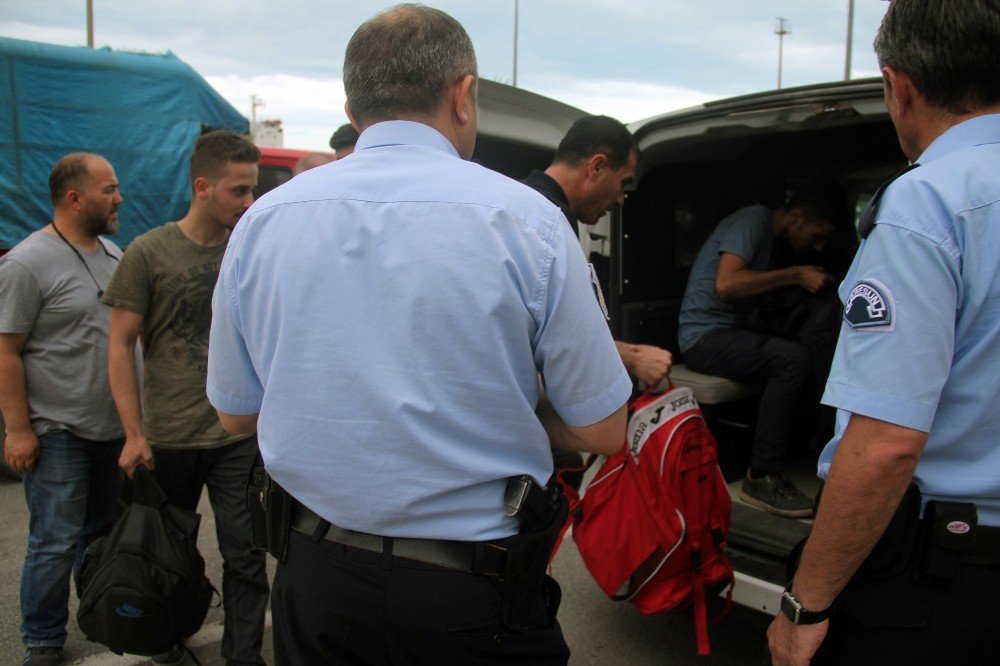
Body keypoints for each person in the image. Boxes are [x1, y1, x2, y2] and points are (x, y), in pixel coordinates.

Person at [207, 5, 630, 664]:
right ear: (462, 95)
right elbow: (604, 429)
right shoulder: (529, 224)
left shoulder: (263, 223)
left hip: (316, 579)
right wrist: (495, 404)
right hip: (470, 594)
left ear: (354, 104)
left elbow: (235, 414)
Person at [768, 1, 1000, 664]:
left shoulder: (929, 202)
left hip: (944, 575)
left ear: (899, 87)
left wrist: (803, 607)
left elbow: (886, 445)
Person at [103, 130, 268, 666]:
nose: (248, 203)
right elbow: (120, 344)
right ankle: (165, 643)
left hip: (234, 435)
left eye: (252, 191)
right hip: (169, 435)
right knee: (166, 555)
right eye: (238, 191)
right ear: (202, 186)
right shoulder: (149, 252)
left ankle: (243, 656)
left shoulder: (250, 249)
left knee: (245, 556)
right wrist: (133, 433)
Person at [0, 153, 125, 666]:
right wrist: (18, 430)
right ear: (75, 198)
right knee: (53, 541)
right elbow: (6, 350)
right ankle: (43, 639)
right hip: (57, 431)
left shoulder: (112, 253)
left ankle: (101, 616)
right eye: (109, 189)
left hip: (111, 429)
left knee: (100, 536)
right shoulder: (27, 263)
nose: (119, 198)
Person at [677, 184, 842, 517]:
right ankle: (762, 475)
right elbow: (726, 285)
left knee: (804, 349)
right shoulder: (753, 220)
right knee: (791, 359)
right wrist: (796, 276)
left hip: (732, 333)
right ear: (796, 217)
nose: (818, 245)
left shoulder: (773, 241)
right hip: (704, 337)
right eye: (816, 235)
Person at [523, 115, 673, 388]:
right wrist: (633, 357)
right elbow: (559, 340)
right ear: (597, 167)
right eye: (623, 183)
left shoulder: (533, 206)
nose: (620, 198)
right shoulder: (547, 221)